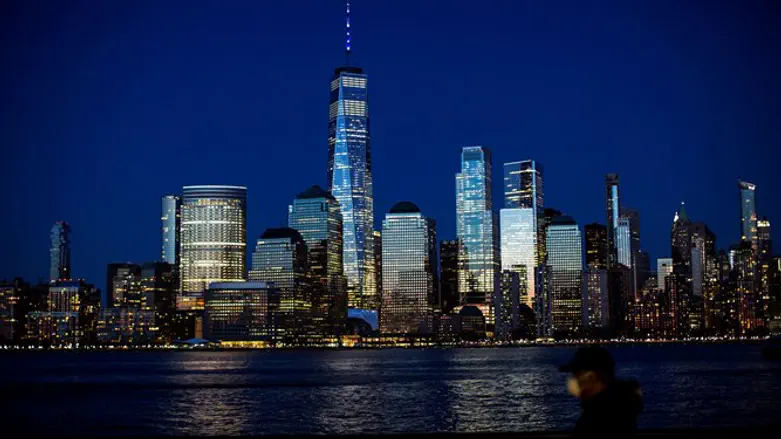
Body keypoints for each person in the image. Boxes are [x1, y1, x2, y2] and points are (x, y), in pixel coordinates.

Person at [560, 346, 643, 437]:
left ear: (592, 376)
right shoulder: (620, 404)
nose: (575, 380)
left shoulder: (600, 416)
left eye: (578, 374)